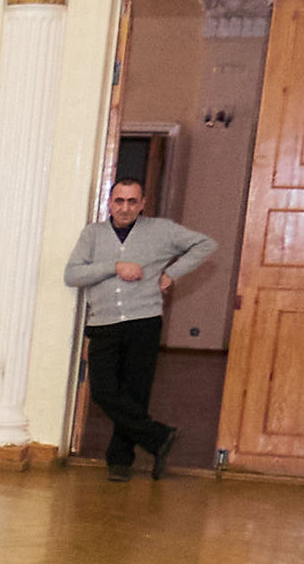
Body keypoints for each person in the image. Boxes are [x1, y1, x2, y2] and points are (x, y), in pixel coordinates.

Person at [65, 180, 216, 481]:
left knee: (135, 394)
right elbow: (73, 274)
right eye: (119, 200)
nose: (125, 207)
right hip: (104, 323)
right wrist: (114, 266)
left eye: (132, 201)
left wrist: (171, 274)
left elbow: (206, 244)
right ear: (109, 202)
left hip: (143, 322)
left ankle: (120, 462)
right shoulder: (92, 234)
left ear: (143, 203)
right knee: (105, 391)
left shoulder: (161, 230)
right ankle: (158, 437)